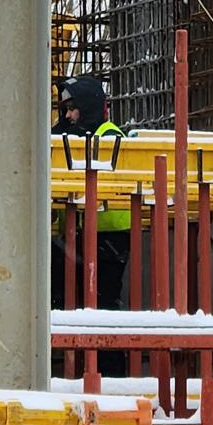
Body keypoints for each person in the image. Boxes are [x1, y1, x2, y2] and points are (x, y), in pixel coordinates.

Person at [51, 74, 131, 313]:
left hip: (107, 235)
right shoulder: (73, 135)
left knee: (102, 302)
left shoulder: (109, 136)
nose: (67, 116)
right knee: (66, 299)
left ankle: (107, 351)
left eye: (72, 109)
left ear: (87, 107)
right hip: (78, 232)